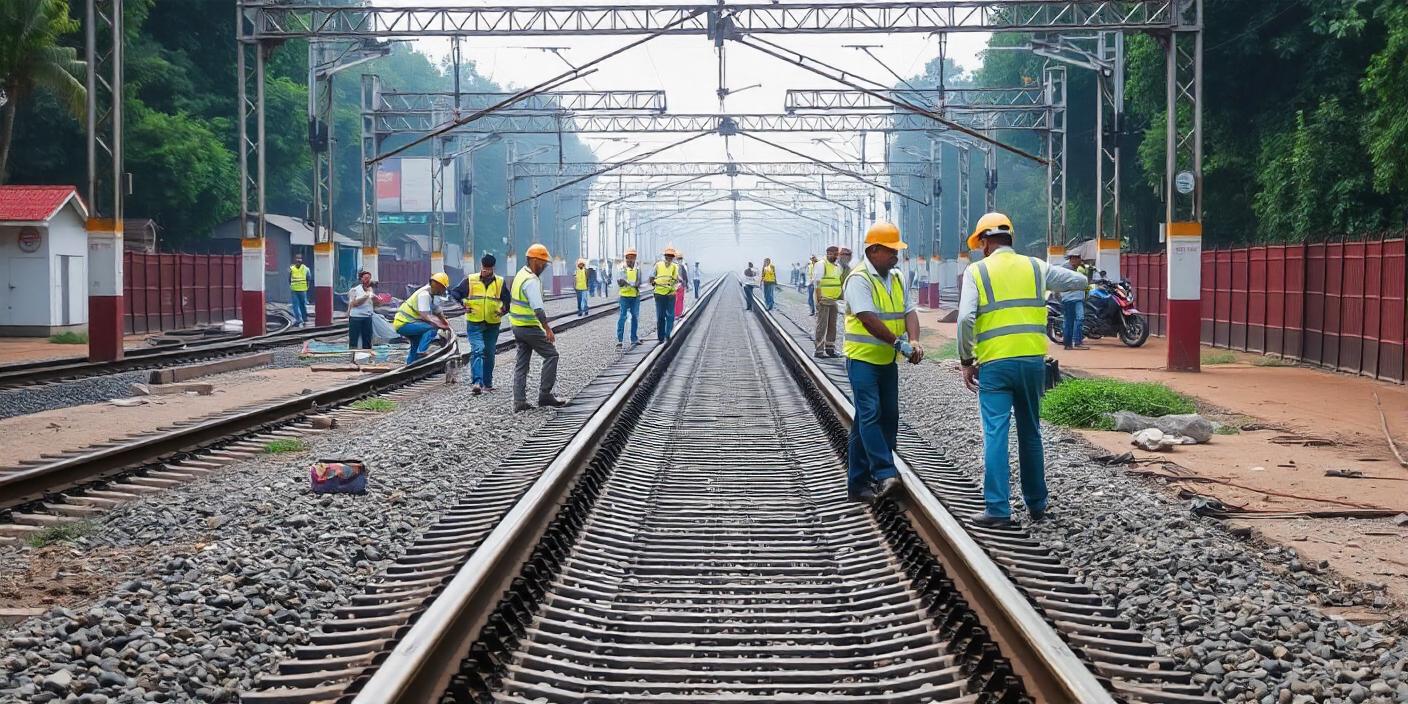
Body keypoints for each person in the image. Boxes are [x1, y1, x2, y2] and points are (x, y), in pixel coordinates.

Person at [958, 213, 1087, 527]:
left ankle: (998, 510)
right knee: (1030, 433)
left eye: (981, 243)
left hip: (994, 365)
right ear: (1010, 238)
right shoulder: (1034, 267)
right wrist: (1079, 272)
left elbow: (964, 320)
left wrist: (965, 360)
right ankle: (1037, 504)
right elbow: (1079, 282)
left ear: (985, 242)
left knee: (995, 434)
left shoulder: (977, 271)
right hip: (1031, 364)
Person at [842, 223, 925, 502]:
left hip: (887, 361)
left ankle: (857, 486)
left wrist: (912, 341)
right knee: (870, 413)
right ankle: (885, 472)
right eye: (891, 251)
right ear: (874, 250)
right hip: (863, 359)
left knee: (885, 416)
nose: (896, 256)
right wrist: (898, 343)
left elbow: (909, 311)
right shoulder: (859, 278)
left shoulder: (897, 277)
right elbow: (868, 318)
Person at [509, 243, 566, 412]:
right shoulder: (531, 280)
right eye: (542, 263)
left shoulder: (520, 274)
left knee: (522, 364)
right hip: (529, 326)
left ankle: (519, 401)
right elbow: (538, 309)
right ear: (534, 261)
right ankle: (545, 395)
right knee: (551, 355)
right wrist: (547, 329)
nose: (544, 266)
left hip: (517, 326)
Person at [450, 254, 510, 395]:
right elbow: (455, 293)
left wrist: (503, 310)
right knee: (478, 350)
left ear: (493, 268)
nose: (485, 271)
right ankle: (477, 382)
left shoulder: (500, 282)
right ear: (480, 266)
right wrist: (463, 303)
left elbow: (507, 301)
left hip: (493, 323)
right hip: (474, 322)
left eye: (488, 269)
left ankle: (487, 384)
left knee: (489, 353)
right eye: (483, 268)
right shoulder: (470, 280)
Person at [392, 272, 452, 364]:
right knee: (432, 328)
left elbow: (438, 311)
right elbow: (425, 315)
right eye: (443, 288)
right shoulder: (424, 294)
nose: (444, 291)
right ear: (437, 285)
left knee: (415, 345)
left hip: (410, 323)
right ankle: (422, 352)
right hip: (403, 323)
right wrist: (439, 324)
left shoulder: (433, 295)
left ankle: (411, 365)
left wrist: (445, 323)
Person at [811, 246, 843, 358]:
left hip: (833, 300)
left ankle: (830, 349)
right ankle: (819, 350)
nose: (835, 256)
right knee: (822, 325)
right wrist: (819, 299)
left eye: (836, 254)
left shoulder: (837, 266)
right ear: (828, 253)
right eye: (833, 254)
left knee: (832, 325)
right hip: (824, 299)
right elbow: (817, 283)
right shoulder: (821, 264)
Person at [649, 247, 682, 342]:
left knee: (670, 315)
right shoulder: (658, 265)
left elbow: (676, 279)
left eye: (671, 256)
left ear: (673, 257)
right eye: (668, 256)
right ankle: (661, 337)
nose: (669, 258)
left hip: (670, 294)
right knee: (660, 316)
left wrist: (675, 284)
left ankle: (667, 334)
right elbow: (651, 276)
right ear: (665, 256)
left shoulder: (675, 267)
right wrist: (653, 281)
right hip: (659, 294)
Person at [1061, 253, 1089, 351]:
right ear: (1073, 259)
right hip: (1070, 299)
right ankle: (1070, 343)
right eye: (1078, 260)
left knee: (1076, 319)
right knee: (1071, 321)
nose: (1080, 262)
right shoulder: (1066, 269)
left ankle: (1075, 342)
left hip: (1076, 298)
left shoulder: (1076, 269)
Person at [616, 249, 643, 348]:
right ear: (626, 258)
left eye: (632, 257)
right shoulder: (622, 268)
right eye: (628, 258)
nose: (630, 260)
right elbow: (620, 282)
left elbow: (639, 281)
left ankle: (634, 338)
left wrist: (633, 284)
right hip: (624, 296)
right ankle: (619, 340)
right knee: (622, 317)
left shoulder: (638, 269)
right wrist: (627, 282)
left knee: (635, 317)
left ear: (635, 258)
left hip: (635, 296)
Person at [346, 270, 375, 350]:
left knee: (367, 339)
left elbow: (373, 303)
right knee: (354, 339)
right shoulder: (354, 290)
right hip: (356, 317)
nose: (368, 280)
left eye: (369, 278)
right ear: (361, 279)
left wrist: (379, 300)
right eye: (365, 278)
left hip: (368, 317)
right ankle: (352, 356)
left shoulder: (370, 289)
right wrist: (366, 296)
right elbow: (354, 304)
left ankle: (367, 355)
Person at [289, 254, 311, 327]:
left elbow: (308, 278)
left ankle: (304, 318)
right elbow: (289, 279)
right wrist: (291, 286)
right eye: (297, 258)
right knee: (295, 305)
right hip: (294, 290)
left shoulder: (306, 269)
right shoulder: (291, 269)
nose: (298, 260)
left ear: (302, 260)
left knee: (302, 305)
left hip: (302, 290)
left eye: (300, 258)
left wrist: (307, 287)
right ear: (294, 260)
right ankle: (299, 320)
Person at [674, 254, 687, 318]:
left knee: (680, 299)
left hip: (680, 285)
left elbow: (685, 276)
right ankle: (677, 313)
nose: (680, 260)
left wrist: (685, 284)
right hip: (678, 285)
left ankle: (679, 313)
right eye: (679, 259)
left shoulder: (681, 267)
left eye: (681, 259)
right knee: (678, 299)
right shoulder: (676, 267)